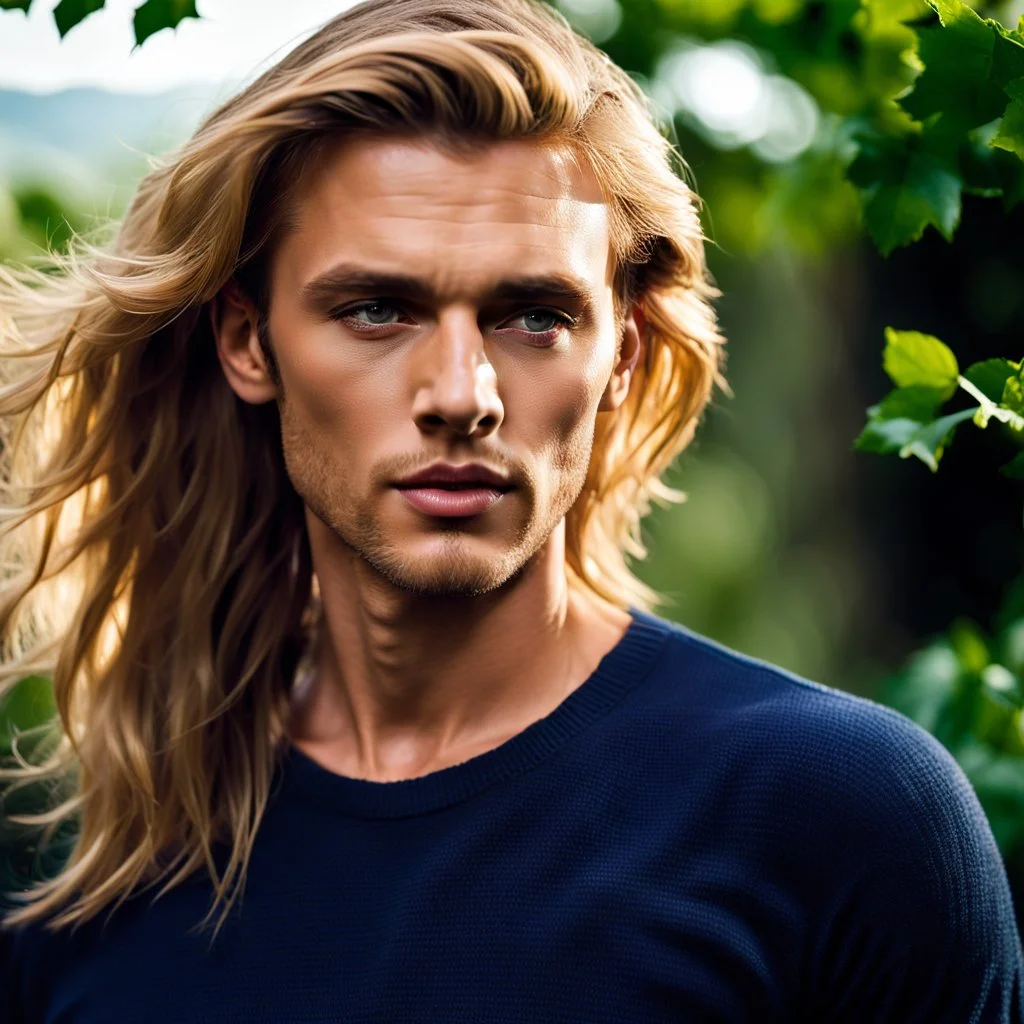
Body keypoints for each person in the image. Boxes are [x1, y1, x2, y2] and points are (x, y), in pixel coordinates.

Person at [0, 0, 1021, 1020]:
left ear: (620, 352)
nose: (461, 394)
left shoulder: (845, 819)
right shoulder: (89, 874)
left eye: (535, 315)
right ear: (248, 342)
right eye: (377, 309)